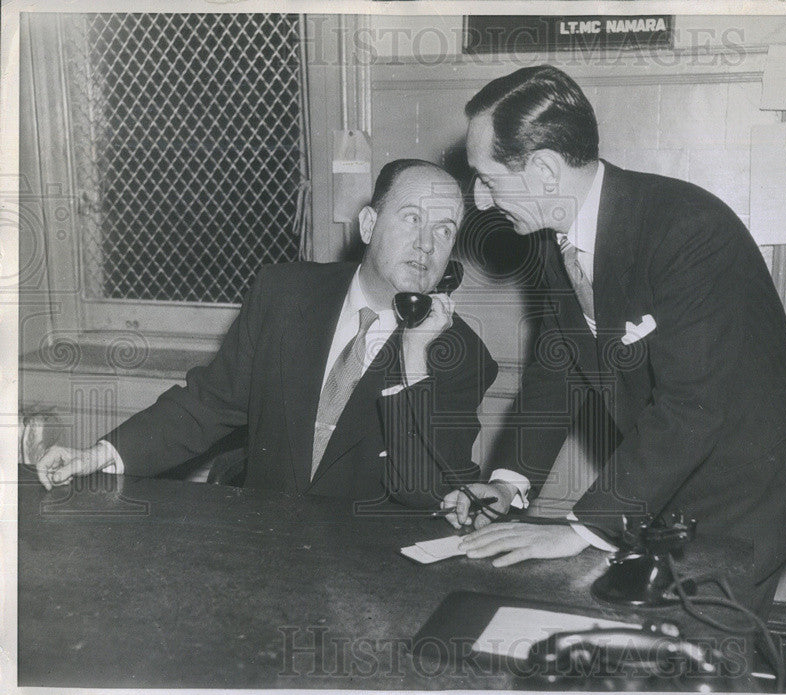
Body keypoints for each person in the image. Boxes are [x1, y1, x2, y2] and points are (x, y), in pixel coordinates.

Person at [443, 65, 786, 614]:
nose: (481, 201)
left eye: (487, 178)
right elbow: (557, 366)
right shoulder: (547, 233)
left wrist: (580, 528)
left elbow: (691, 408)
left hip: (756, 486)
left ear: (543, 169)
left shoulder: (687, 229)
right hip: (676, 473)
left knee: (697, 645)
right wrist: (509, 484)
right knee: (645, 641)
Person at [38, 159, 498, 509]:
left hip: (374, 574)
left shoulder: (461, 355)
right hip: (266, 549)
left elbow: (424, 492)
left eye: (444, 230)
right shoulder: (284, 293)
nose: (426, 245)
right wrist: (102, 453)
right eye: (412, 219)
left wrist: (416, 355)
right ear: (369, 225)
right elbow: (208, 403)